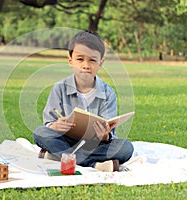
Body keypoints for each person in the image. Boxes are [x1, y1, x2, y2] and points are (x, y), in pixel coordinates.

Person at [33, 30, 134, 172]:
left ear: (101, 63)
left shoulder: (108, 92)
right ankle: (93, 165)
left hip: (95, 145)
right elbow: (48, 124)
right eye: (80, 59)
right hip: (65, 141)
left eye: (92, 60)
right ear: (70, 61)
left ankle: (59, 157)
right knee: (40, 133)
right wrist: (55, 126)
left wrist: (104, 135)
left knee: (126, 148)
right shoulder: (59, 88)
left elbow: (109, 133)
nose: (86, 65)